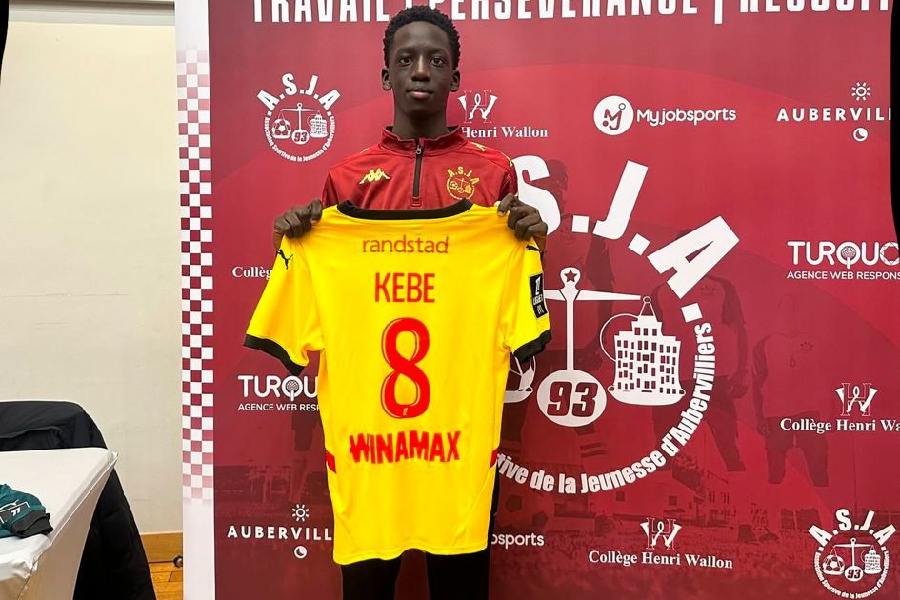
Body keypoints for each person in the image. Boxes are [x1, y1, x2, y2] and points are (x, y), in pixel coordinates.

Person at [266, 7, 549, 600]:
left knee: (461, 582)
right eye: (406, 59)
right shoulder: (346, 177)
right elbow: (321, 286)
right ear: (386, 75)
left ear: (456, 77)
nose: (421, 70)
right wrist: (294, 245)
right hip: (370, 443)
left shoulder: (494, 171)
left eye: (437, 60)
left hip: (458, 438)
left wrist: (528, 243)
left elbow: (508, 286)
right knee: (367, 583)